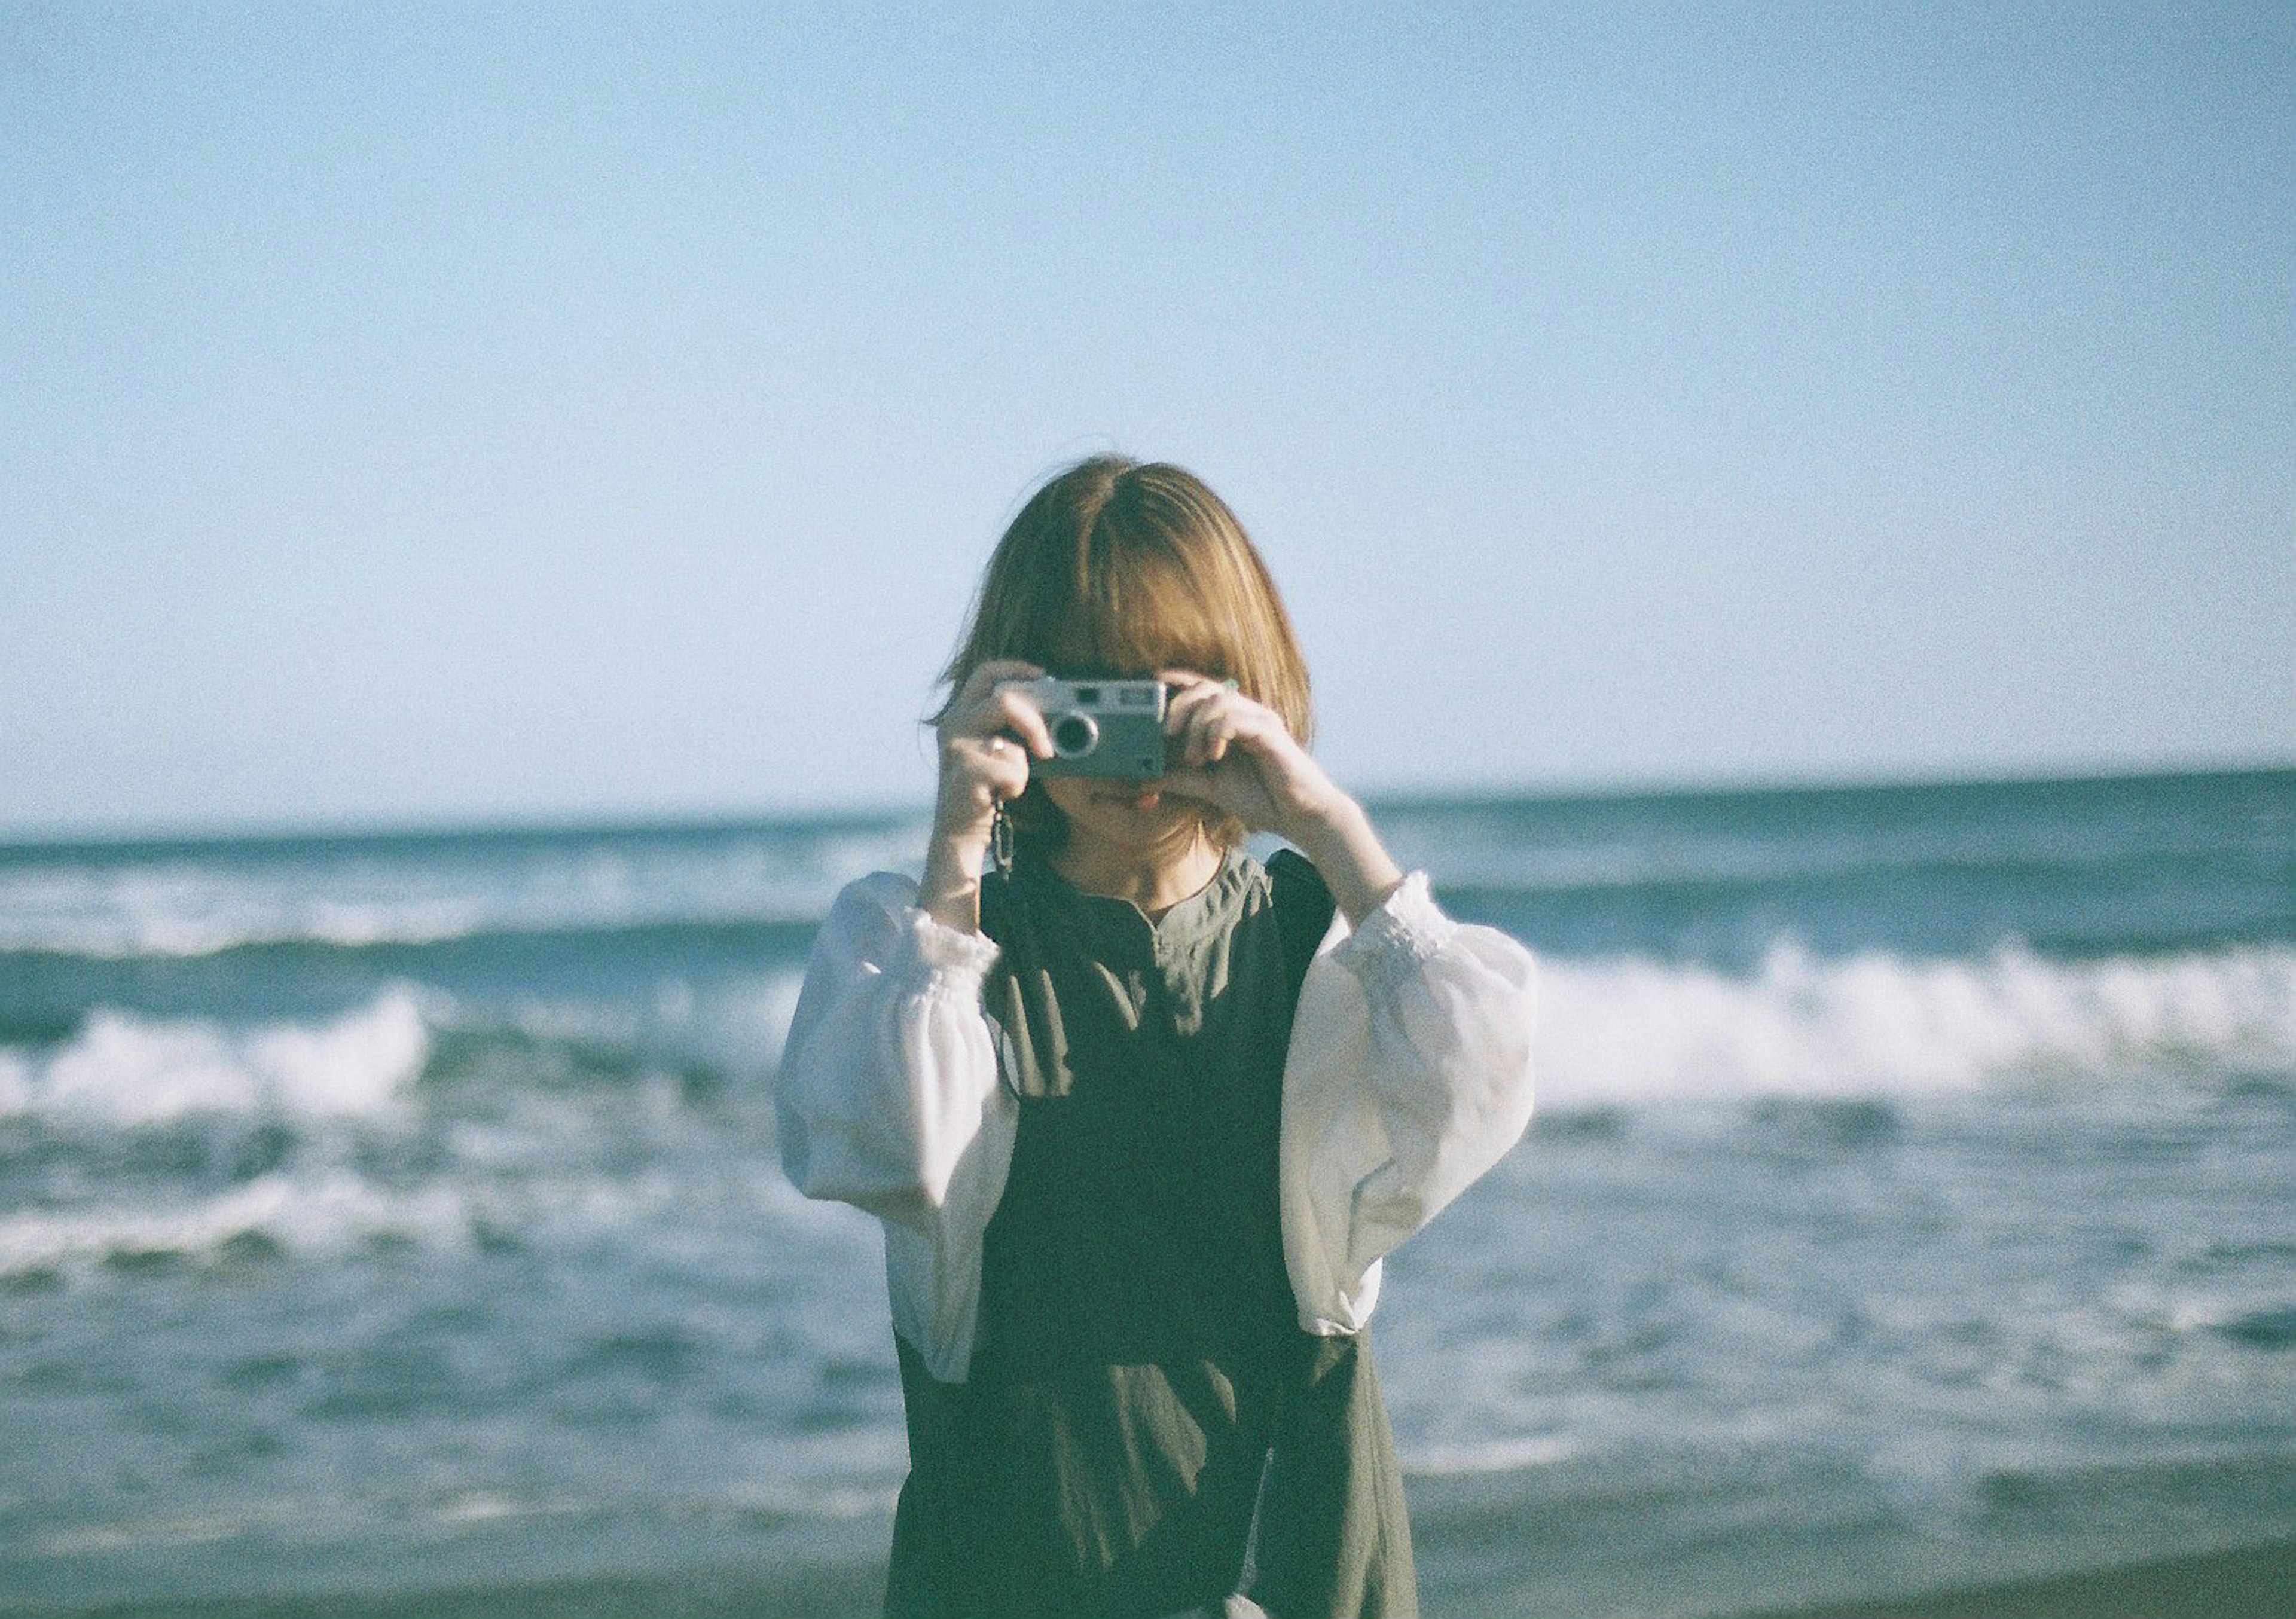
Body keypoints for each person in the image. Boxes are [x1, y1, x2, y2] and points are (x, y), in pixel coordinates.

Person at [777, 455, 1538, 1619]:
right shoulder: (920, 946)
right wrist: (956, 853)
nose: (1127, 742)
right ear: (1009, 690)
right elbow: (898, 1149)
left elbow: (1482, 1090)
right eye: (1085, 693)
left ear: (1243, 681)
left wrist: (1327, 827)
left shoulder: (1320, 947)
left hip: (1299, 1574)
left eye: (1166, 690)